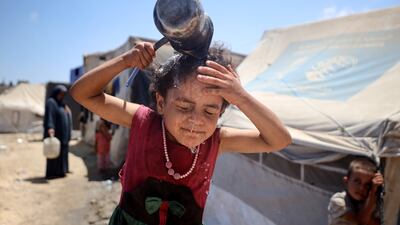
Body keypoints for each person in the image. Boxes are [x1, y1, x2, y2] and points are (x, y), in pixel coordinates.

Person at [70, 42, 292, 224]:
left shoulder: (217, 140)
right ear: (161, 102)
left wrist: (241, 96)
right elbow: (82, 94)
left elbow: (279, 140)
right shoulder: (143, 121)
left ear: (221, 112)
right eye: (184, 107)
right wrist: (125, 61)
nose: (196, 120)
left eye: (210, 110)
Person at [328, 157, 384, 225]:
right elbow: (362, 222)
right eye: (357, 181)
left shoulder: (368, 202)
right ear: (346, 181)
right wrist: (372, 193)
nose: (361, 188)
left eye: (367, 185)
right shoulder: (338, 200)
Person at [43, 85, 72, 179]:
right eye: (60, 94)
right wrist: (50, 127)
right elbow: (50, 115)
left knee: (62, 153)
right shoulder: (51, 102)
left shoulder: (62, 104)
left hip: (63, 135)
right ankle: (51, 173)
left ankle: (61, 171)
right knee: (53, 152)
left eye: (63, 94)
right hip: (56, 133)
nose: (62, 96)